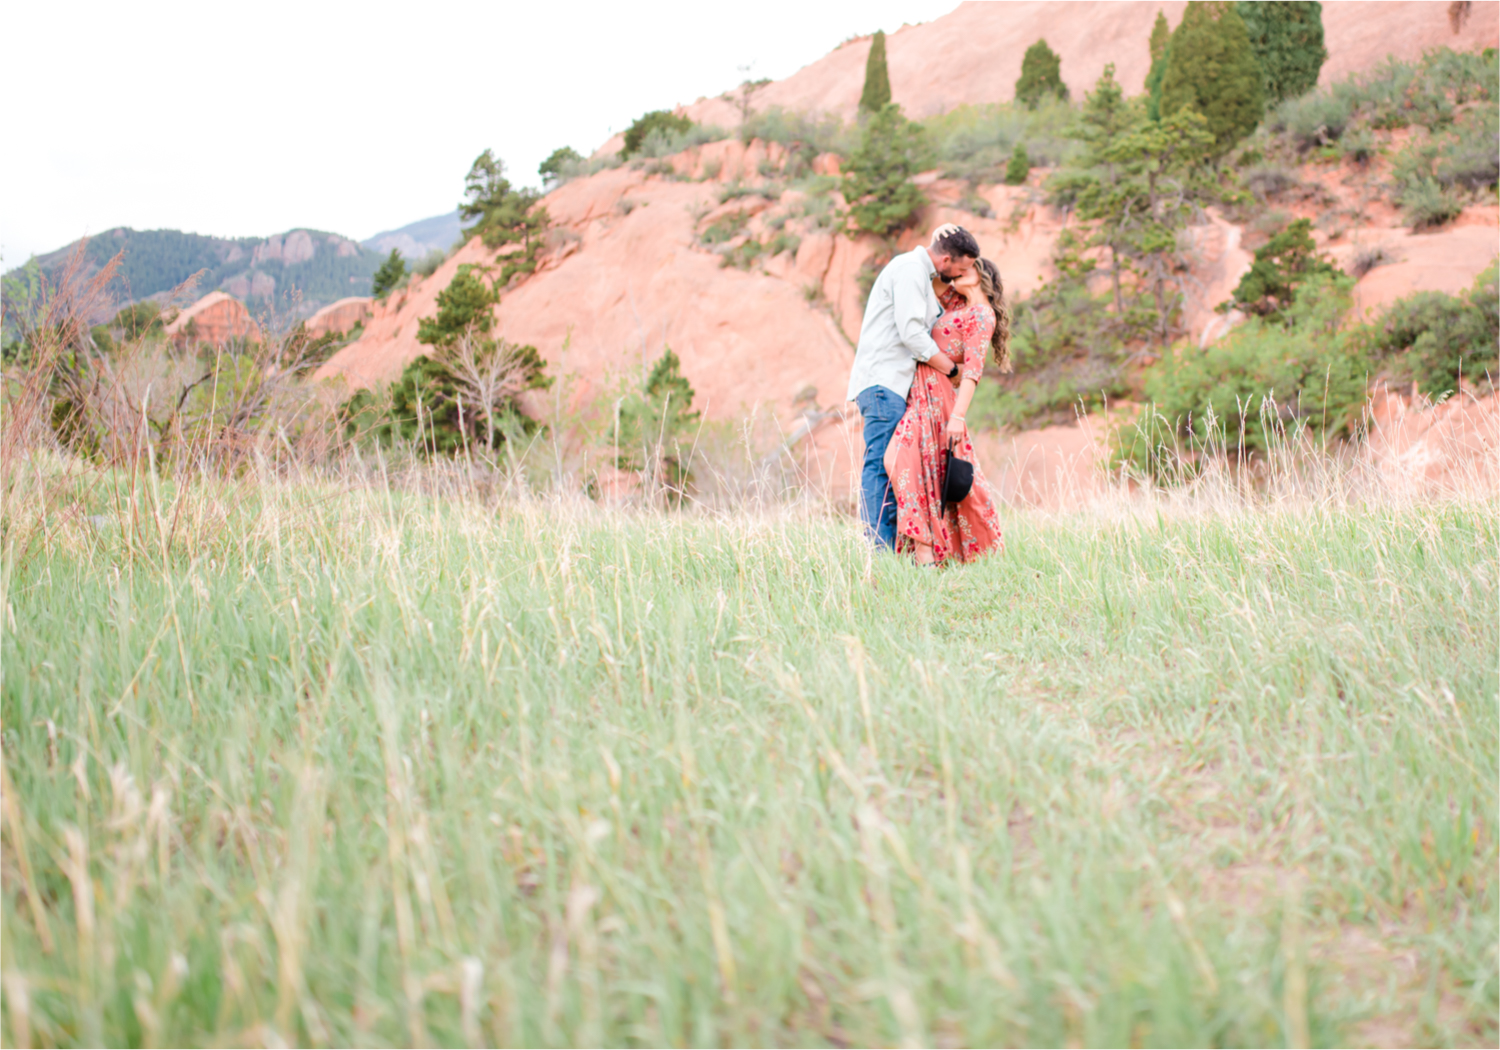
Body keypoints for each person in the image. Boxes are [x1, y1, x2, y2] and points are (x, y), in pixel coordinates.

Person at [847, 224, 980, 549]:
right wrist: (951, 369)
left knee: (892, 463)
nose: (960, 274)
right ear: (946, 259)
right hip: (883, 382)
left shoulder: (920, 273)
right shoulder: (909, 270)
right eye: (960, 268)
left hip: (892, 384)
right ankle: (877, 548)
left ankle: (888, 547)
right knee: (881, 463)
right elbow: (912, 334)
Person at [883, 256, 1009, 566]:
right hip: (920, 393)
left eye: (967, 268)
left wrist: (958, 417)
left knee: (897, 459)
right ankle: (926, 549)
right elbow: (936, 279)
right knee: (918, 467)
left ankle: (927, 549)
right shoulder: (957, 306)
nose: (959, 273)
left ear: (981, 275)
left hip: (939, 399)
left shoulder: (982, 315)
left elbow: (973, 372)